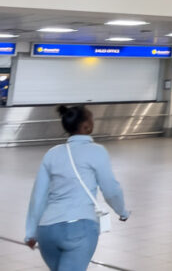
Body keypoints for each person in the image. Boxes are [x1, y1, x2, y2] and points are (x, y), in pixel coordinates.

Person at [25, 105, 129, 271]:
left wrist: (31, 232)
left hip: (47, 231)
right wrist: (122, 212)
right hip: (79, 230)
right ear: (86, 125)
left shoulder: (52, 154)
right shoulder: (97, 151)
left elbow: (38, 196)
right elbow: (111, 189)